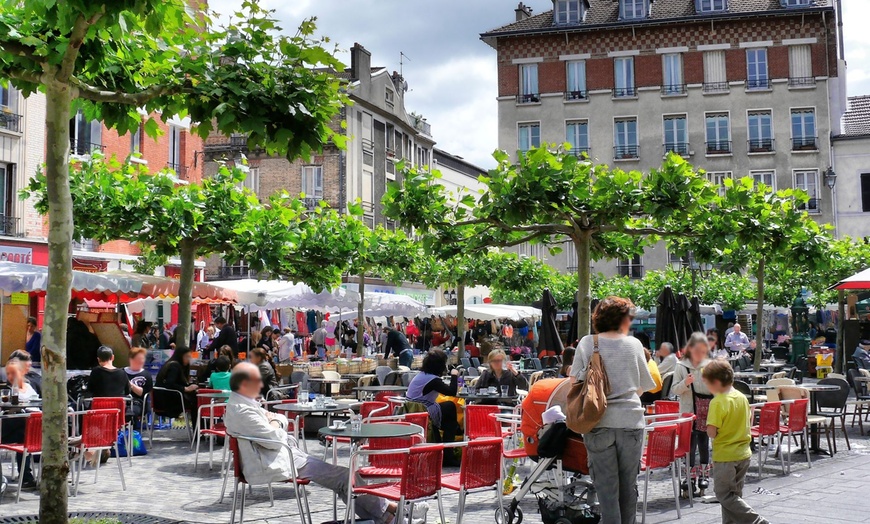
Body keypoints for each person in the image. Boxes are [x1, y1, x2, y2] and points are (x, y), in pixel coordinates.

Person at [224, 362, 425, 524]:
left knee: (345, 480)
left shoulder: (244, 403)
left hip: (287, 455)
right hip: (278, 460)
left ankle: (387, 517)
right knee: (345, 478)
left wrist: (276, 421)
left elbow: (277, 419)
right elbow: (275, 438)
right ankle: (393, 509)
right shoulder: (243, 410)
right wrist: (277, 421)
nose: (261, 385)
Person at [570, 296, 655, 524]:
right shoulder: (635, 344)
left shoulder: (588, 343)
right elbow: (644, 386)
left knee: (606, 491)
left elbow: (574, 382)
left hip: (598, 423)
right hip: (631, 423)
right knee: (628, 487)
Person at [703, 360, 769, 524]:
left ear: (716, 383)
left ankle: (756, 521)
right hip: (743, 453)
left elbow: (712, 432)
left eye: (707, 384)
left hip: (725, 455)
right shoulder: (741, 398)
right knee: (734, 496)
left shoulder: (718, 402)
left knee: (724, 494)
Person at [670, 332, 713, 497]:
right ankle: (689, 478)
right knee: (689, 445)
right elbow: (674, 389)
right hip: (688, 412)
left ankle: (703, 475)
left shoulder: (709, 366)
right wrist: (685, 383)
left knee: (704, 443)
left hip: (707, 412)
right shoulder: (681, 366)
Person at [406, 349, 461, 465]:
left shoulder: (423, 375)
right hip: (420, 410)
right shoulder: (433, 380)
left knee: (448, 412)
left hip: (412, 409)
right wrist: (454, 375)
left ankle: (448, 442)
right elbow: (451, 391)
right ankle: (448, 454)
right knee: (450, 407)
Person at [1, 360, 38, 488]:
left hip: (33, 428)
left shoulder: (29, 388)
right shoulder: (8, 391)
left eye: (13, 373)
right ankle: (26, 477)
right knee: (22, 431)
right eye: (8, 374)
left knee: (23, 430)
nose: (10, 377)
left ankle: (26, 477)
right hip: (20, 431)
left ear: (22, 372)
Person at [153, 347, 198, 418]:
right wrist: (185, 389)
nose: (188, 359)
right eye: (187, 356)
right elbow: (169, 384)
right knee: (197, 403)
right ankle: (198, 428)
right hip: (167, 401)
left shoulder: (171, 364)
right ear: (180, 356)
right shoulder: (174, 366)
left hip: (163, 399)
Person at [125, 347, 153, 420]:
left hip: (137, 402)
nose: (141, 361)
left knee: (131, 411)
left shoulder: (146, 375)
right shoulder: (121, 372)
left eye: (142, 359)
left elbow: (143, 393)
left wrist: (130, 384)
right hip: (122, 400)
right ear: (131, 359)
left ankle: (130, 429)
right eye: (138, 359)